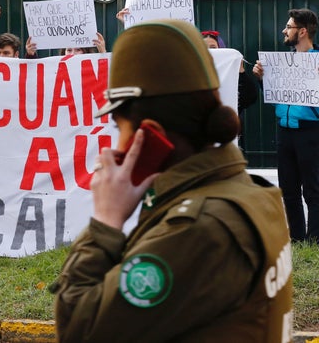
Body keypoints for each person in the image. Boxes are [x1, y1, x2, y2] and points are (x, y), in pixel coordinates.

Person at [53, 19, 292, 342]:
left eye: (118, 127)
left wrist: (106, 221)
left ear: (149, 134)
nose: (114, 145)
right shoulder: (247, 192)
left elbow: (80, 330)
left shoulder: (197, 227)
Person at [253, 8, 319, 242]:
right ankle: (298, 240)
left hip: (311, 132)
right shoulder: (282, 63)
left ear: (302, 32)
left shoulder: (317, 60)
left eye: (289, 26)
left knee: (313, 190)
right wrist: (263, 81)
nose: (284, 30)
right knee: (288, 190)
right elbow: (276, 99)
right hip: (284, 130)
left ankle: (314, 240)